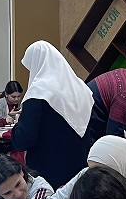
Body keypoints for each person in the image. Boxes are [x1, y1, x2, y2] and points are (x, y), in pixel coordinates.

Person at [10, 41, 93, 188]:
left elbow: (24, 140)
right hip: (80, 165)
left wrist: (18, 123)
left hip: (48, 171)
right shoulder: (80, 87)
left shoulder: (38, 93)